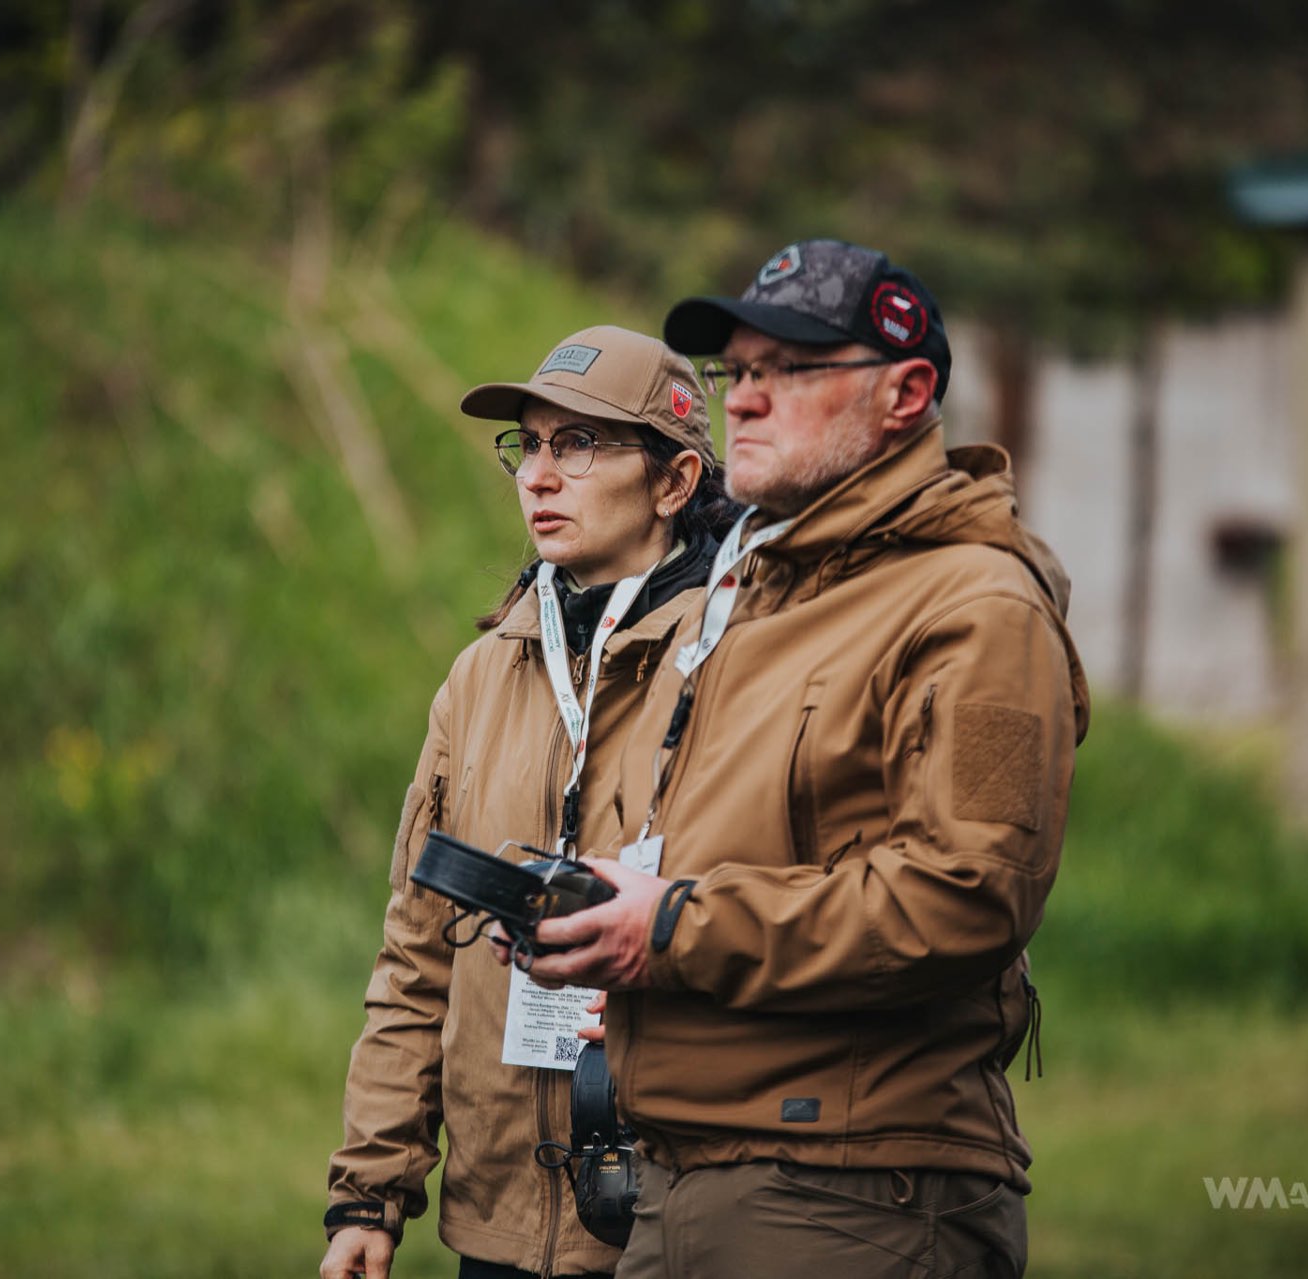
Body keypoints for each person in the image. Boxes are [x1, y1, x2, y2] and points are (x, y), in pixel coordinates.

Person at [516, 241, 1091, 1279]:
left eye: (790, 369)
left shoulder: (978, 605)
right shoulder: (769, 592)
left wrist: (676, 930)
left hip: (850, 1192)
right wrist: (621, 933)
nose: (742, 400)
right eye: (738, 373)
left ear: (906, 392)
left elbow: (966, 895)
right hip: (684, 1178)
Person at [322, 326, 740, 1279]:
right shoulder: (481, 676)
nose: (539, 476)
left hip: (679, 1216)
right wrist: (370, 1189)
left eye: (581, 444)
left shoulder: (743, 663)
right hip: (500, 1222)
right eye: (531, 444)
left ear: (676, 482)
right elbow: (417, 947)